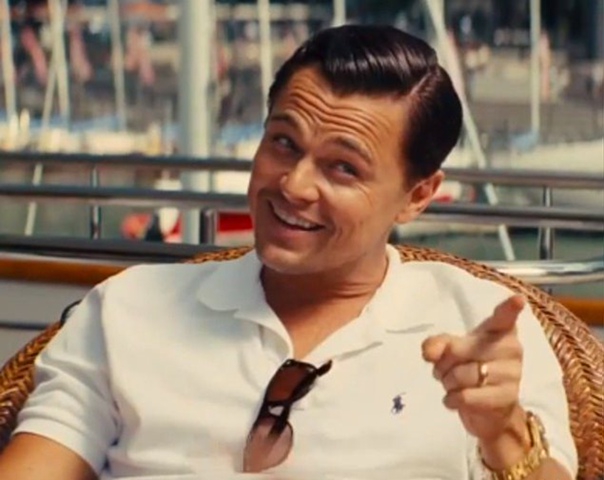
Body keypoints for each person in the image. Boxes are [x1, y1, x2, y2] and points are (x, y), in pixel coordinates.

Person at [0, 25, 577, 479]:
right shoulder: (126, 309)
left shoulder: (483, 324)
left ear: (418, 195)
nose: (294, 185)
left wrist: (502, 429)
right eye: (283, 143)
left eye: (343, 168)